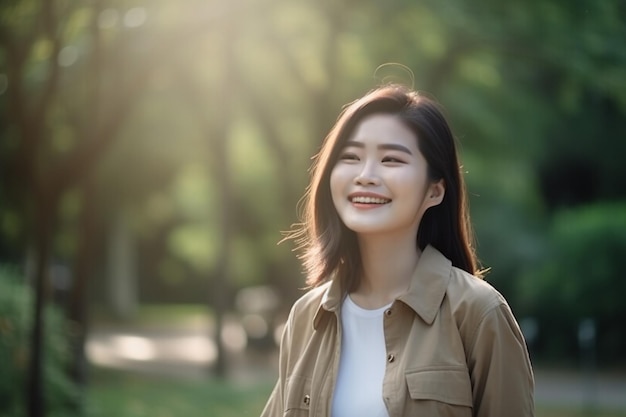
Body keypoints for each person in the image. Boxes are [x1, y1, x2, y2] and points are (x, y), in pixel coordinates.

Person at [261, 84, 534, 417]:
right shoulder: (307, 317)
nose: (365, 176)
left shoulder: (478, 314)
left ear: (434, 191)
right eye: (350, 157)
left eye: (391, 159)